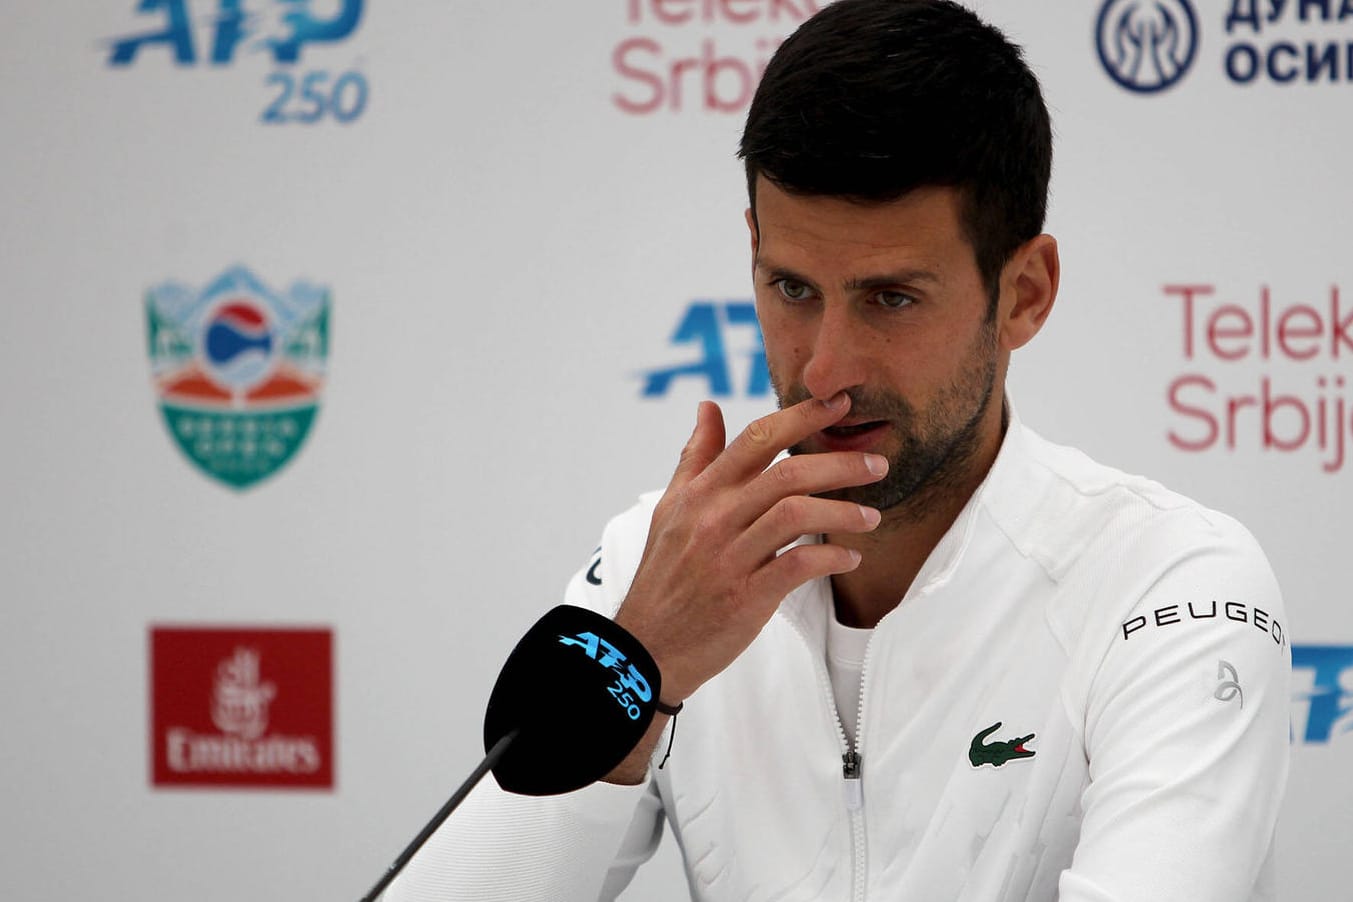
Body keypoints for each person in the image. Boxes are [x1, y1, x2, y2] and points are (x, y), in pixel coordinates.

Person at [386, 1, 1289, 899]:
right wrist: (636, 666)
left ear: (1023, 293)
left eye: (890, 298)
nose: (825, 368)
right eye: (791, 287)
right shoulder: (663, 569)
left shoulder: (1171, 583)